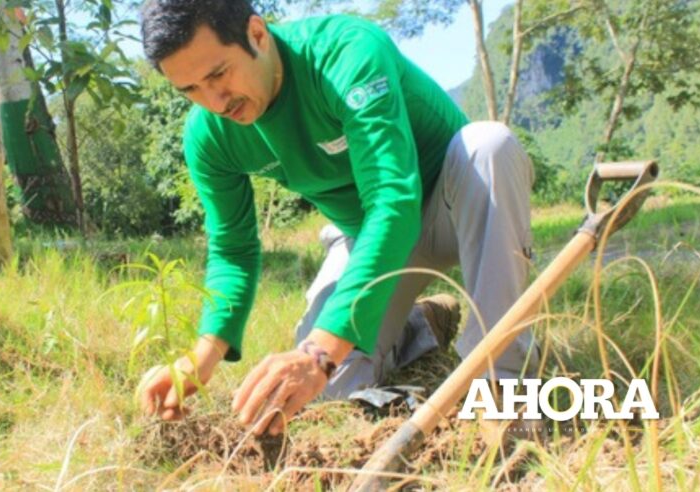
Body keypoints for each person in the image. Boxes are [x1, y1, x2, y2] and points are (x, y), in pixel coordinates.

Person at [136, 0, 540, 437]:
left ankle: (506, 388)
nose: (214, 102)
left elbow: (392, 197)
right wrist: (203, 355)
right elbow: (233, 250)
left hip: (455, 207)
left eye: (218, 75)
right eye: (190, 90)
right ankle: (421, 326)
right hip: (366, 238)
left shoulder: (345, 53)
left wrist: (320, 354)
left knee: (488, 145)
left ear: (256, 33)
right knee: (323, 394)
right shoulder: (209, 136)